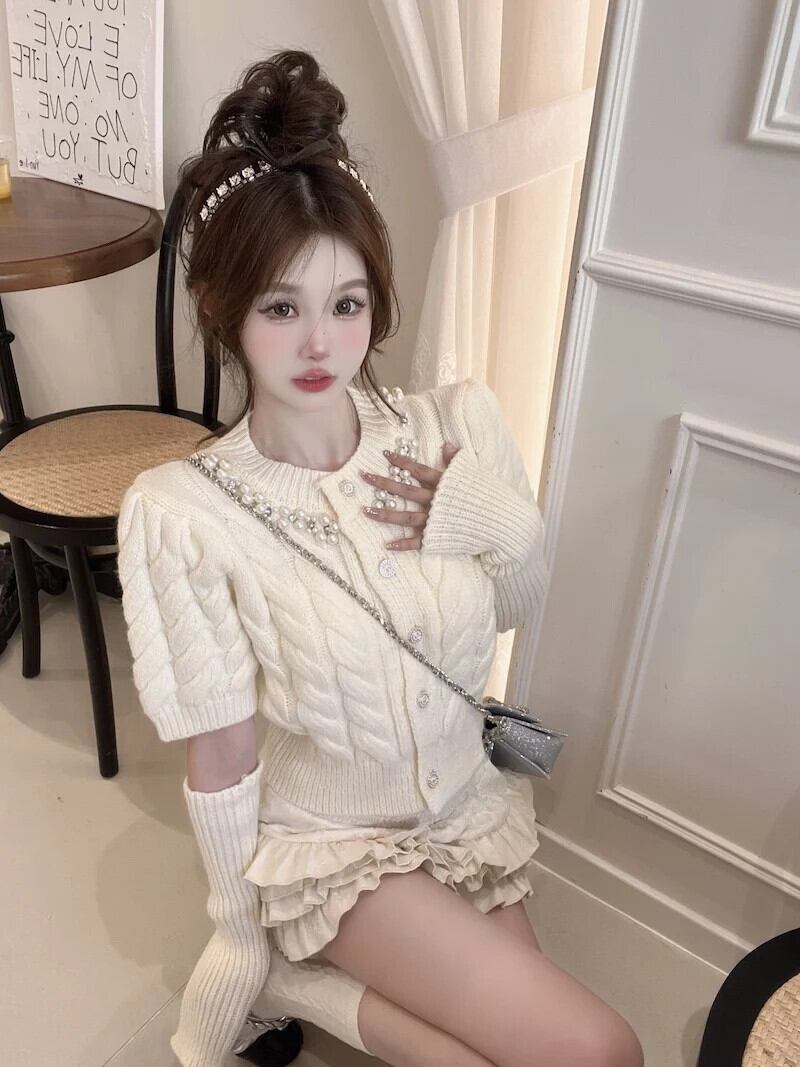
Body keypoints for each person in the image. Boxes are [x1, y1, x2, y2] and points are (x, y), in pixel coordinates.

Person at [116, 48, 643, 1067]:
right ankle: (281, 956)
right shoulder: (185, 512)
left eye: (346, 304)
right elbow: (221, 754)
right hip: (333, 842)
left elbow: (508, 607)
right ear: (225, 309)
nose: (320, 343)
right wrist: (236, 924)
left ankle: (301, 985)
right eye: (282, 308)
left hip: (464, 806)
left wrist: (500, 522)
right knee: (599, 1049)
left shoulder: (454, 428)